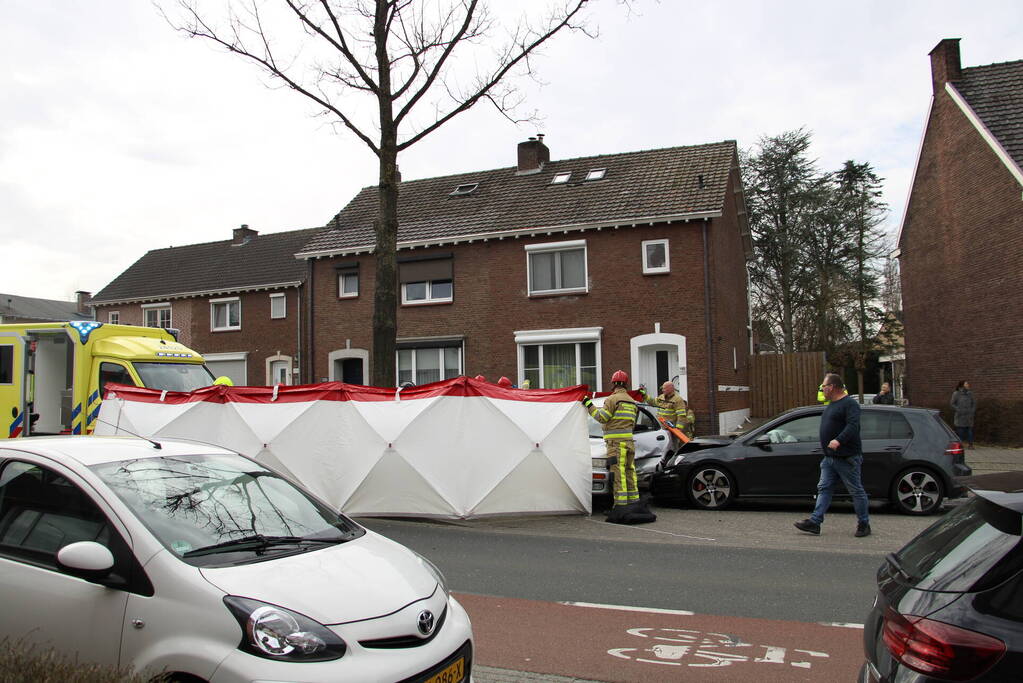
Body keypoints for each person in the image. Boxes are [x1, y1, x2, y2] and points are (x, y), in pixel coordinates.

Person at [794, 373, 871, 538]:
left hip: (846, 457)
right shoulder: (832, 404)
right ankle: (815, 522)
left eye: (824, 386)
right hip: (829, 458)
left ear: (832, 387)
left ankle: (864, 524)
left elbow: (853, 426)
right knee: (824, 488)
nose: (822, 389)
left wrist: (838, 440)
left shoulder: (850, 404)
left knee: (856, 490)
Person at [582, 370, 639, 509]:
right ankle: (634, 503)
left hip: (616, 444)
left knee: (618, 473)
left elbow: (602, 417)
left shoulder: (612, 399)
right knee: (630, 471)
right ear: (626, 384)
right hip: (629, 443)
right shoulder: (632, 402)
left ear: (613, 384)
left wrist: (589, 405)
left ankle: (620, 506)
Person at [951, 381, 976, 447]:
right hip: (960, 416)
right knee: (960, 432)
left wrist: (972, 411)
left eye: (968, 384)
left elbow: (974, 403)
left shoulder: (970, 393)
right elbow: (952, 403)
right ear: (962, 385)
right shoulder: (956, 394)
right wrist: (958, 410)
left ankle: (970, 445)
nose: (968, 385)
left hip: (969, 416)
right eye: (966, 384)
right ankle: (959, 445)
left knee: (970, 431)